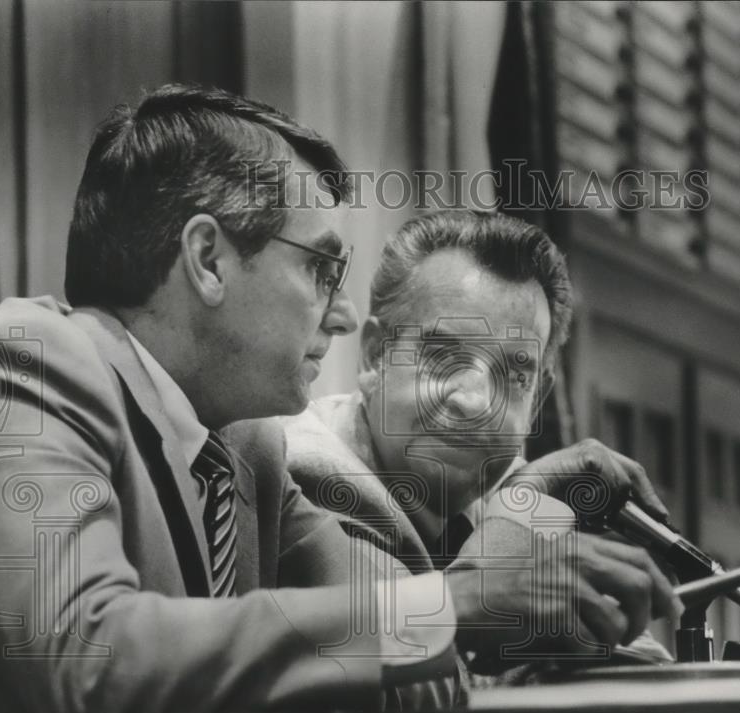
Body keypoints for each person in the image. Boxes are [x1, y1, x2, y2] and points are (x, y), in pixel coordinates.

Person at [0, 86, 681, 713]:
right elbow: (87, 661)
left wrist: (504, 578)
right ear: (208, 259)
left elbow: (417, 681)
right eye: (320, 268)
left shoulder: (248, 447)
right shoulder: (27, 360)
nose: (339, 317)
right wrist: (458, 601)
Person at [283, 209, 677, 671]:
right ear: (375, 357)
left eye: (513, 375)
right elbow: (414, 684)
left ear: (536, 400)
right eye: (443, 356)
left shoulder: (509, 487)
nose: (475, 403)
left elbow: (642, 664)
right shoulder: (312, 470)